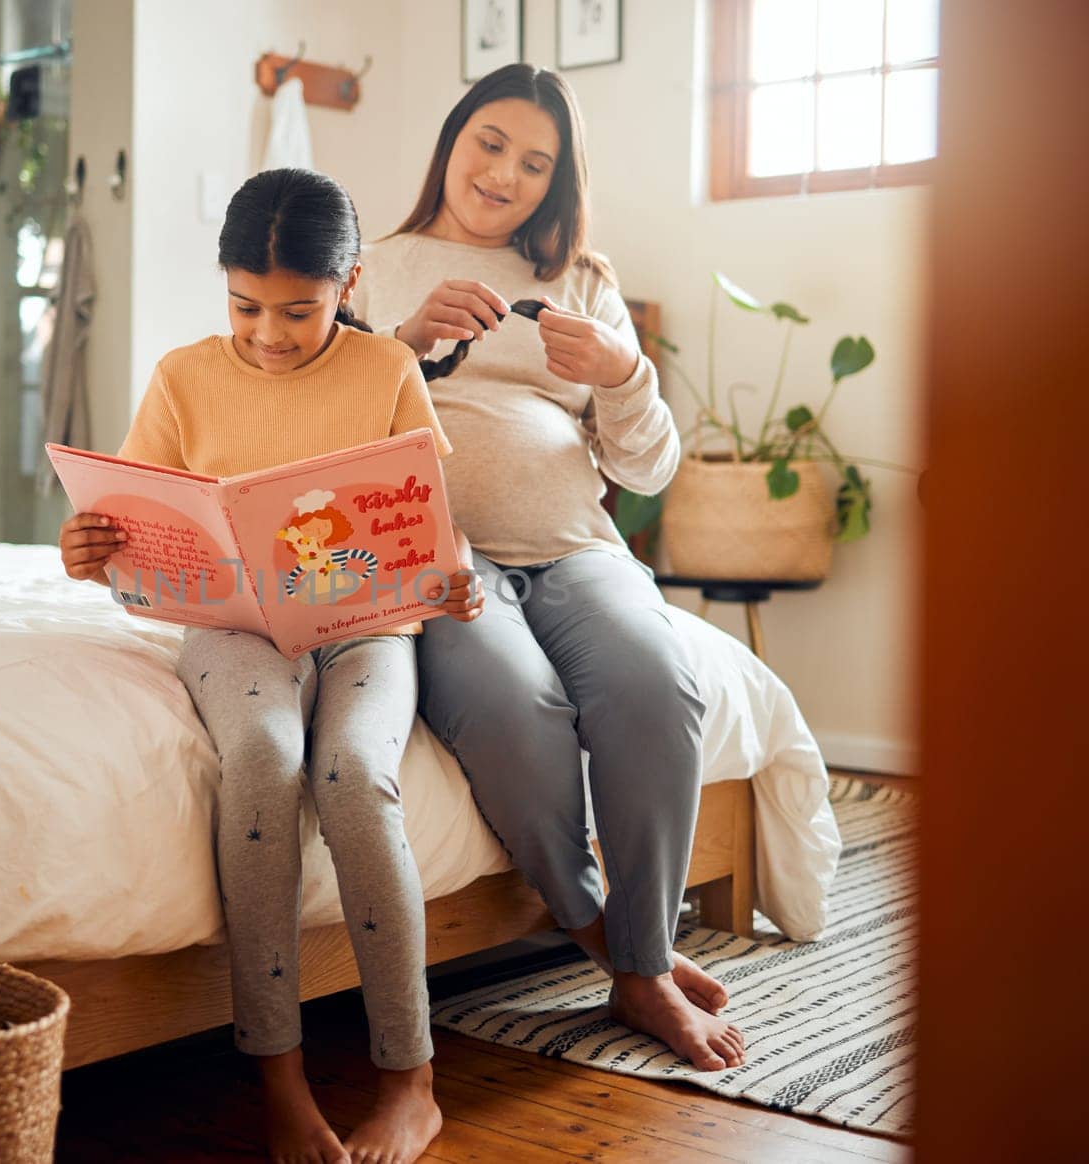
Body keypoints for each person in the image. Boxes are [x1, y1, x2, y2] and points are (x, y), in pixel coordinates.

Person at [60, 168, 483, 1164]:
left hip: (369, 626)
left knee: (352, 774)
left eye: (297, 309)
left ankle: (408, 1083)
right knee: (259, 759)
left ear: (349, 283)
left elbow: (433, 526)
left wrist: (455, 579)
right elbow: (123, 522)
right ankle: (279, 1079)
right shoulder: (182, 376)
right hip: (232, 626)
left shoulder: (385, 369)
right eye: (245, 307)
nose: (268, 332)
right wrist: (84, 548)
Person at [349, 63, 746, 1073]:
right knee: (516, 706)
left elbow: (646, 466)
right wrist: (402, 345)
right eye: (490, 143)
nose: (505, 175)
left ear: (555, 182)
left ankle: (642, 964)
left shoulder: (583, 280)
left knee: (656, 683)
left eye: (536, 163)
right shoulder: (368, 265)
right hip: (439, 556)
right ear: (452, 138)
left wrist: (624, 373)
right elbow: (328, 443)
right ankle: (596, 934)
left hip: (576, 547)